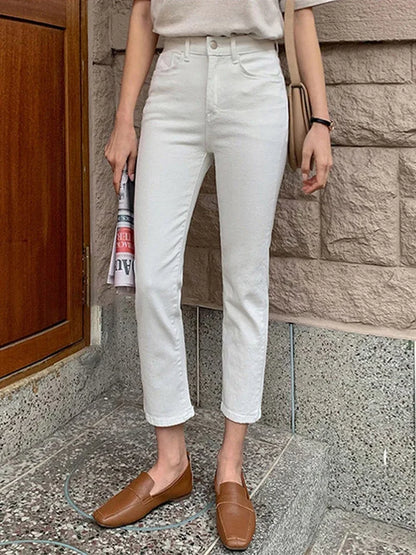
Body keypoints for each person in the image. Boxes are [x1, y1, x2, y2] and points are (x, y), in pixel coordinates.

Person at [93, 0, 336, 549]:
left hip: (253, 80)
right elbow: (142, 12)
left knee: (245, 283)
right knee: (154, 281)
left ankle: (231, 466)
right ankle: (171, 462)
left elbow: (300, 14)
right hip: (173, 82)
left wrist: (320, 120)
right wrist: (125, 118)